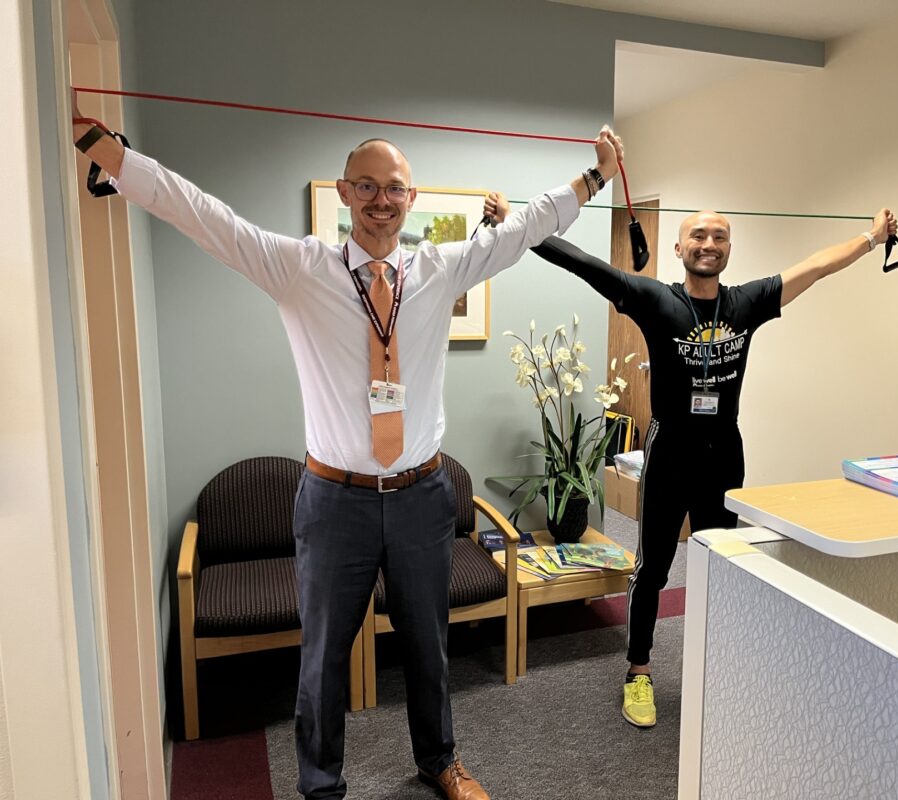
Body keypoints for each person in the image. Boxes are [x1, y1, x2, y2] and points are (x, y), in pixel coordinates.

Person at [71, 96, 623, 800]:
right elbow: (203, 215)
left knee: (429, 645)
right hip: (334, 502)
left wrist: (594, 177)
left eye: (393, 188)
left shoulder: (439, 269)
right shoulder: (297, 268)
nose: (380, 200)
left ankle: (438, 761)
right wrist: (106, 149)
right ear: (343, 193)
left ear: (411, 198)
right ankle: (319, 786)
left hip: (424, 496)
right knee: (324, 657)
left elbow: (522, 229)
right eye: (365, 185)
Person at [499, 198, 898, 728]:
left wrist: (872, 239)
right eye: (699, 236)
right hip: (669, 454)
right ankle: (638, 672)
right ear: (679, 247)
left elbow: (818, 266)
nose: (708, 245)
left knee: (722, 565)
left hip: (723, 453)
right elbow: (580, 261)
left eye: (719, 238)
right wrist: (517, 224)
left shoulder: (747, 302)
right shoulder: (654, 300)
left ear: (728, 249)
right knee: (654, 569)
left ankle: (719, 666)